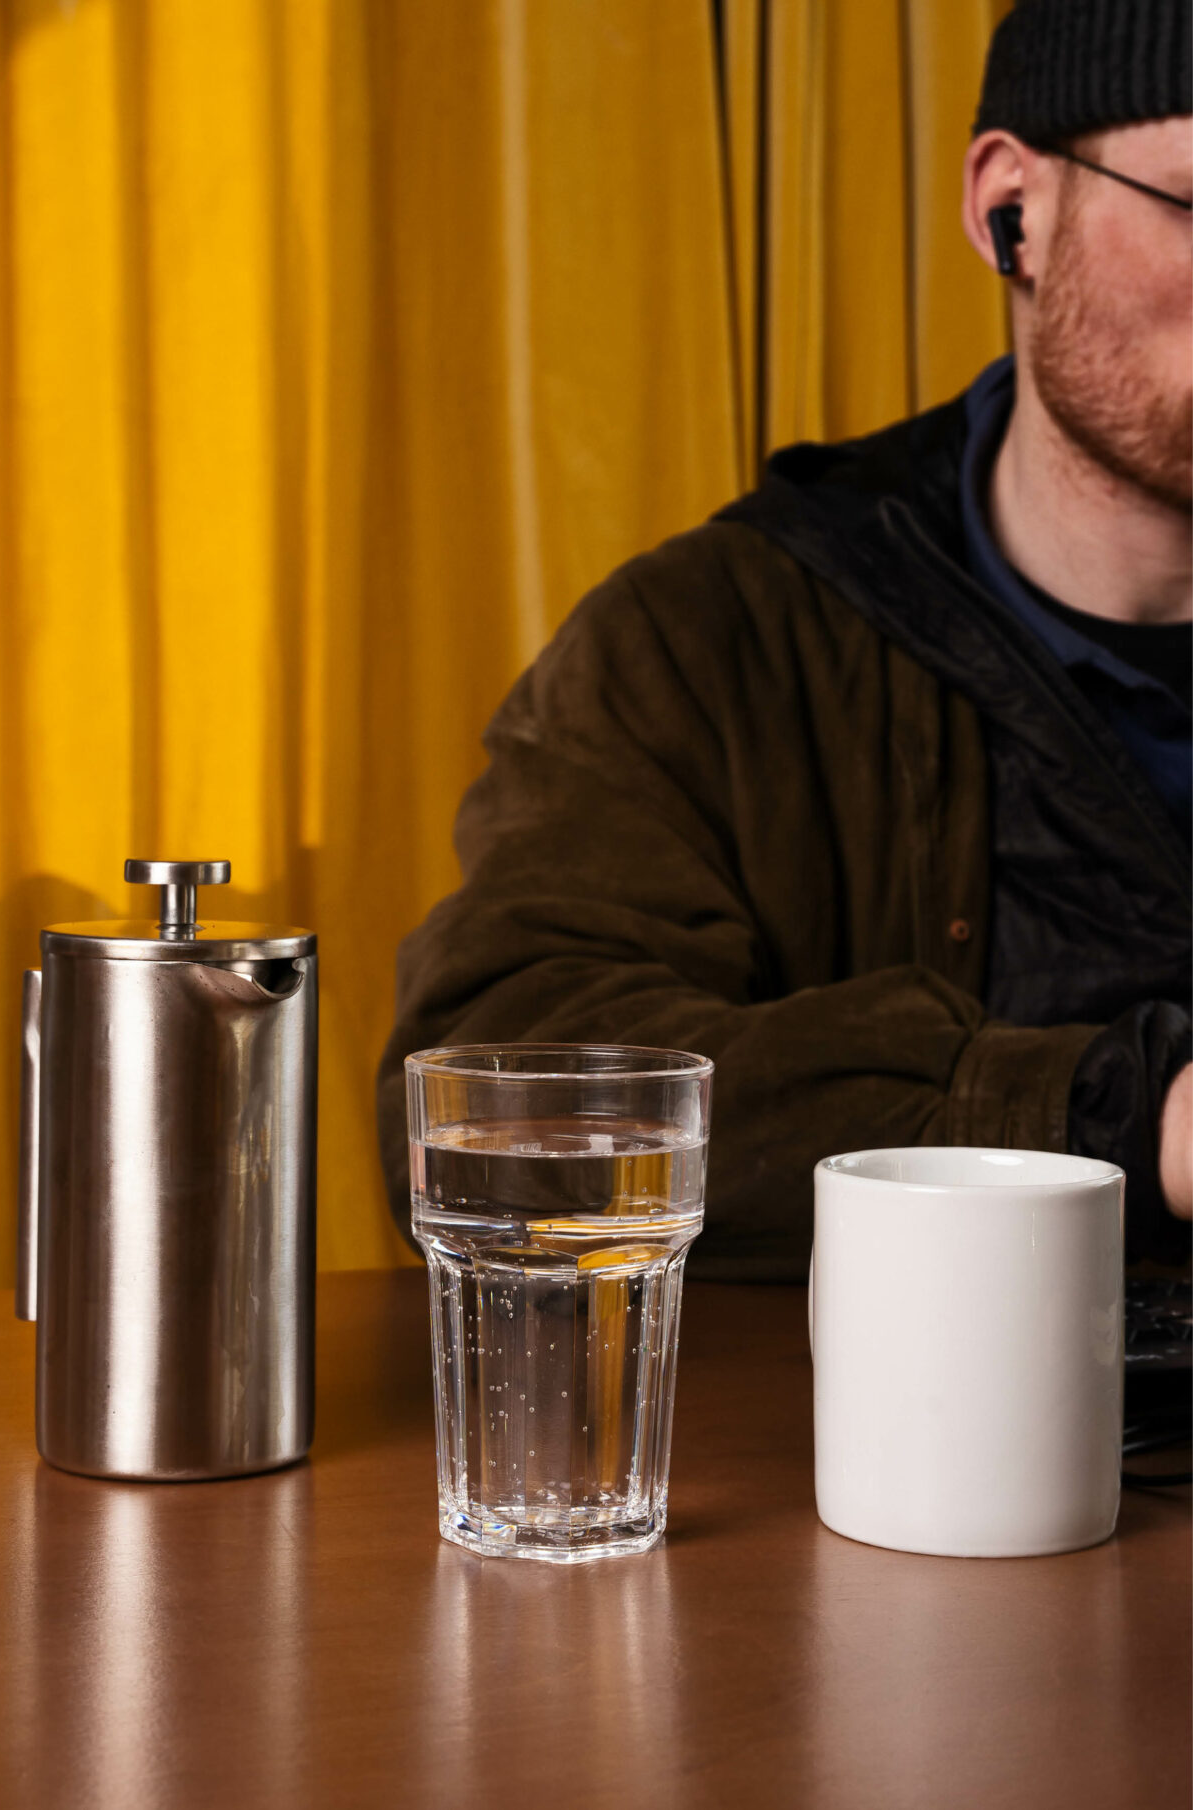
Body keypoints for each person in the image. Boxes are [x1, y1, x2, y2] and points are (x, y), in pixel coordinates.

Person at [379, 0, 1190, 1279]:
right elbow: (493, 1098)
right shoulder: (714, 647)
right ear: (1010, 210)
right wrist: (1128, 1119)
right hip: (872, 1463)